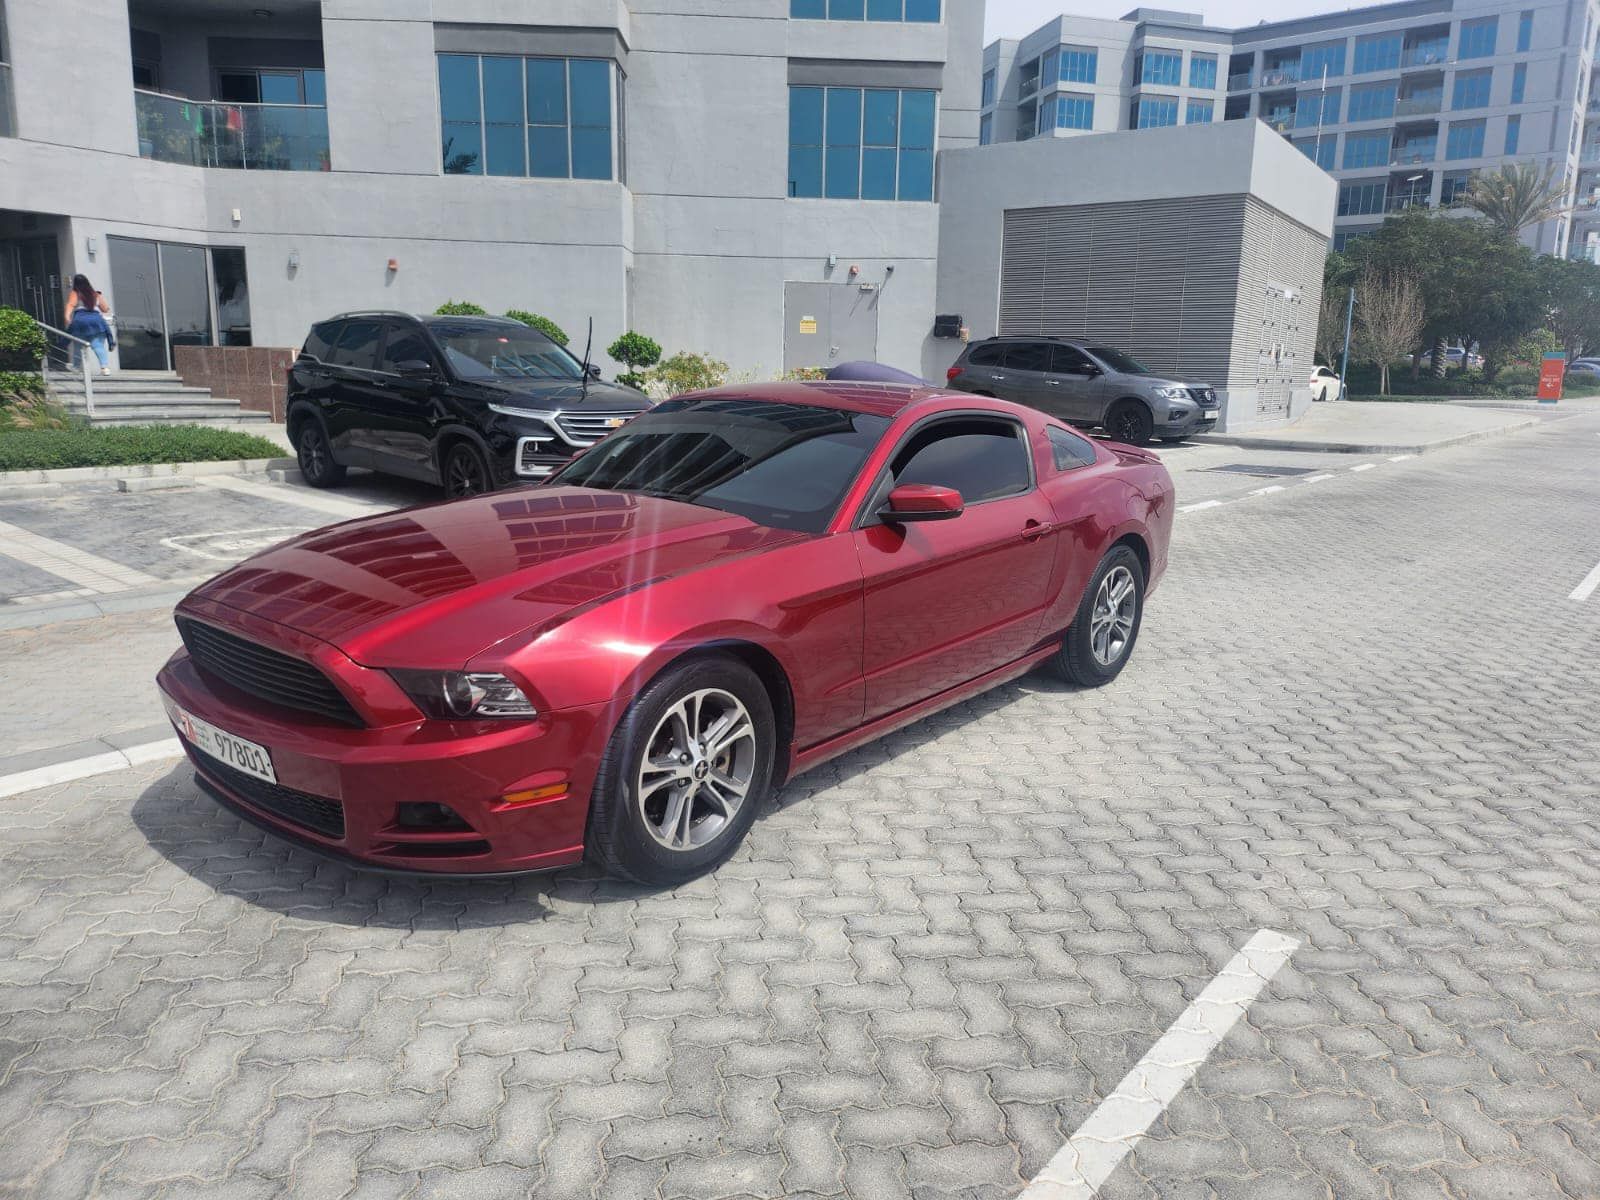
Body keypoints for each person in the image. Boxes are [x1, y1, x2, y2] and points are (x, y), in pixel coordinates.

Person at [64, 275, 113, 375]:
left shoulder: (75, 293)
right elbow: (105, 309)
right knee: (98, 346)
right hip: (96, 321)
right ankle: (105, 368)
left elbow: (71, 304)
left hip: (80, 322)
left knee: (78, 346)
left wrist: (67, 317)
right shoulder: (95, 294)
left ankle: (76, 367)